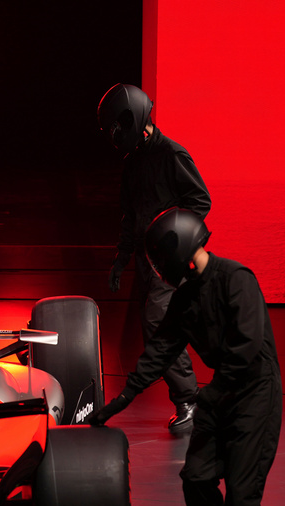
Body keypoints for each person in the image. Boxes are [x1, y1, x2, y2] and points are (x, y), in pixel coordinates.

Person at [89, 208, 282, 506]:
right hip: (219, 394)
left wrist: (212, 393)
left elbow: (246, 347)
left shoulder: (237, 280)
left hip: (253, 394)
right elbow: (160, 351)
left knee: (242, 491)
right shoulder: (185, 298)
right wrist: (119, 402)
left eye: (160, 259)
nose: (159, 268)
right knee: (196, 478)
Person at [97, 83, 211, 432]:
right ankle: (198, 397)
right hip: (146, 263)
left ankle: (189, 400)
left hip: (169, 262)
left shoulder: (171, 155)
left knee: (159, 326)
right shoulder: (133, 163)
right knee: (163, 329)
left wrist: (176, 240)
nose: (116, 135)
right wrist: (121, 259)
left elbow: (200, 200)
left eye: (118, 126)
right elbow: (130, 216)